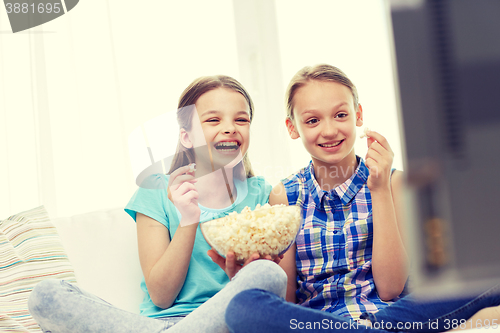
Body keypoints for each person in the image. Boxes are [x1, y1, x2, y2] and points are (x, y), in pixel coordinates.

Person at [224, 64, 500, 332]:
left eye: (340, 115)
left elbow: (391, 287)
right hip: (318, 322)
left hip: (391, 317)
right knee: (242, 306)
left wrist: (378, 190)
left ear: (358, 115)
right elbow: (287, 300)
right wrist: (251, 272)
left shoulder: (392, 183)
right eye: (312, 120)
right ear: (292, 127)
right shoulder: (284, 196)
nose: (330, 130)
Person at [28, 75, 287, 333]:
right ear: (186, 138)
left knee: (270, 275)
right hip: (156, 325)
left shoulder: (263, 196)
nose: (230, 128)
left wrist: (241, 278)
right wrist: (188, 220)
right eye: (213, 120)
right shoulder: (156, 190)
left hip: (226, 321)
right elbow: (162, 296)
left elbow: (278, 301)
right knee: (46, 294)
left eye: (241, 119)